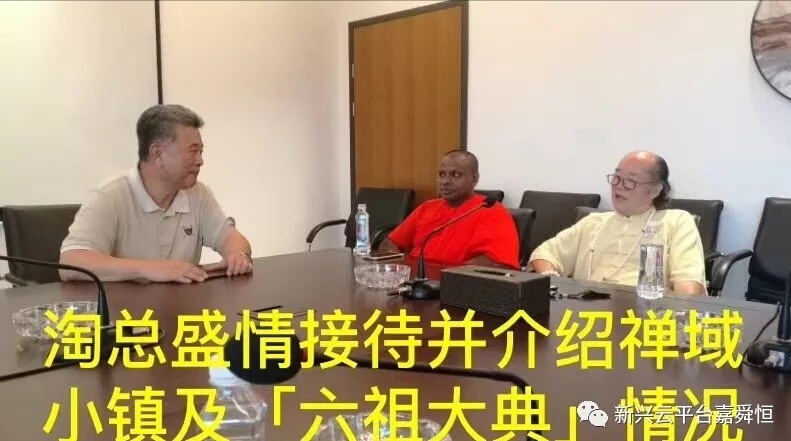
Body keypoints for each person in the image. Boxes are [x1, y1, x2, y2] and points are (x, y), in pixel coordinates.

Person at [59, 104, 253, 283]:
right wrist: (149, 269)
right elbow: (71, 262)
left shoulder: (198, 194)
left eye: (201, 151)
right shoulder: (110, 195)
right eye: (192, 151)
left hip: (182, 306)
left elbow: (231, 238)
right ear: (157, 153)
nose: (200, 160)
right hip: (125, 308)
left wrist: (238, 256)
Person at [528, 151, 706, 295]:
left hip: (645, 315)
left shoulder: (676, 221)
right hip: (588, 314)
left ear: (655, 190)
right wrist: (552, 281)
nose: (619, 185)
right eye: (617, 177)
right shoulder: (594, 222)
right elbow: (545, 253)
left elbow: (689, 287)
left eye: (630, 181)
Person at [378, 150, 520, 269]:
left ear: (474, 179)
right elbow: (390, 243)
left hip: (457, 286)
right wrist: (400, 269)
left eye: (455, 175)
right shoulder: (427, 208)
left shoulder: (491, 210)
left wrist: (448, 276)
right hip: (414, 282)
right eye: (442, 174)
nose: (445, 181)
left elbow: (497, 263)